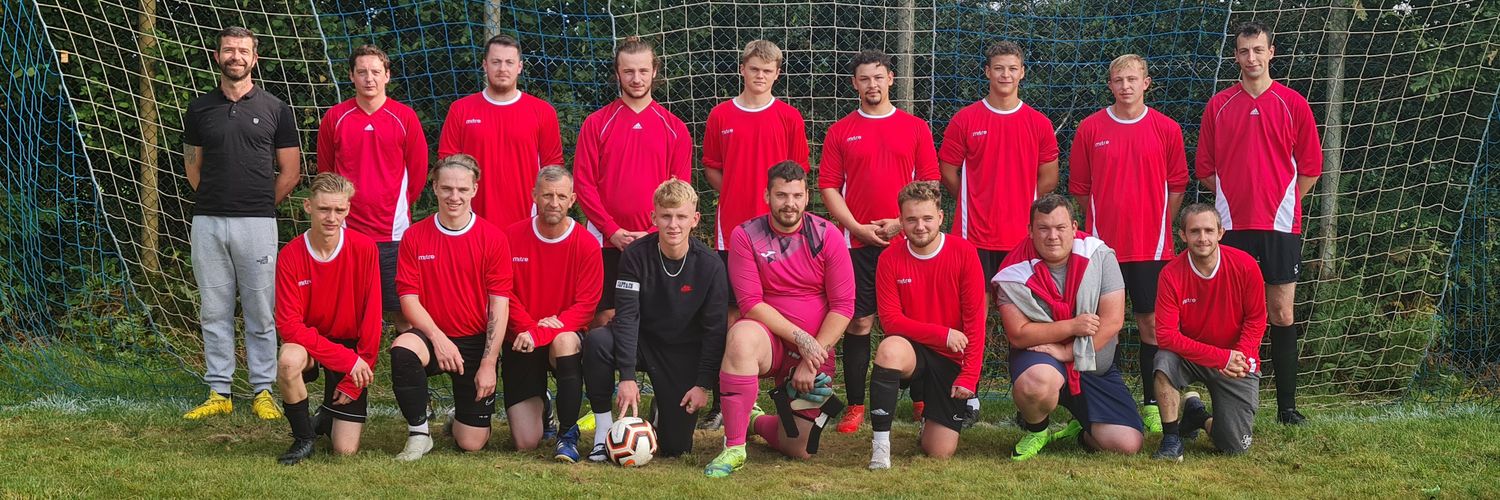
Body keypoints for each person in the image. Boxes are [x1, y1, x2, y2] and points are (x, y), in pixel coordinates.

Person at [1197, 21, 1322, 425]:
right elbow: (1205, 170)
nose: (1251, 58)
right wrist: (1236, 200)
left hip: (1280, 228)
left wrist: (1281, 203)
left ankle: (1287, 407)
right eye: (1244, 51)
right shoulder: (1219, 105)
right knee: (1230, 316)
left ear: (1271, 53)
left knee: (1281, 313)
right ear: (1236, 56)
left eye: (1258, 50)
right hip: (1231, 228)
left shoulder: (1293, 103)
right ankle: (1228, 401)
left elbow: (1310, 168)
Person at [704, 161, 856, 478]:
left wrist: (812, 357)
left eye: (797, 195)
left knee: (802, 447)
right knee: (741, 336)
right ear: (767, 196)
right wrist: (802, 340)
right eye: (781, 195)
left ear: (806, 195)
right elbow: (750, 304)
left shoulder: (828, 235)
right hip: (770, 342)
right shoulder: (746, 234)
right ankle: (733, 447)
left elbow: (843, 306)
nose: (789, 203)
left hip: (814, 351)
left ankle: (754, 420)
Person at [936, 40, 1059, 424]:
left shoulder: (1037, 123)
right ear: (987, 72)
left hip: (1021, 242)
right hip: (973, 237)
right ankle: (965, 396)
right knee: (970, 318)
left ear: (1022, 72)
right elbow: (948, 170)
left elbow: (1049, 177)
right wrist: (974, 201)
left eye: (1012, 68)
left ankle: (1030, 398)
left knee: (1028, 320)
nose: (1005, 75)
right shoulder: (966, 119)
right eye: (998, 68)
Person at [182, 26, 301, 420]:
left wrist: (257, 204)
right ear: (217, 56)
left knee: (260, 310)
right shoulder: (199, 108)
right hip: (209, 222)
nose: (236, 56)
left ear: (255, 59)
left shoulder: (276, 109)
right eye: (229, 50)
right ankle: (219, 390)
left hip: (257, 223)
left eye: (243, 50)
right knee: (214, 309)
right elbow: (191, 164)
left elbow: (290, 172)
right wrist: (214, 201)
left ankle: (263, 390)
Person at [817, 49, 939, 433]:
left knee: (914, 320)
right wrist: (855, 227)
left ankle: (921, 398)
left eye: (879, 77)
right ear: (855, 84)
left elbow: (931, 186)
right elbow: (828, 188)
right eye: (864, 78)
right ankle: (855, 405)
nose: (872, 84)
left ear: (891, 80)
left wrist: (901, 225)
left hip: (908, 244)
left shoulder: (915, 127)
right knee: (858, 323)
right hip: (857, 244)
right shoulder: (841, 131)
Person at [1068, 54, 1189, 433]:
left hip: (1151, 249)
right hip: (1103, 250)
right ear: (1110, 85)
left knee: (1152, 327)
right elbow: (1082, 191)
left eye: (1132, 79)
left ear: (1146, 83)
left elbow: (1178, 186)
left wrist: (1157, 224)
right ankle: (1105, 403)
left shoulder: (1166, 129)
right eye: (1118, 80)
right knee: (1103, 328)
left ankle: (1153, 403)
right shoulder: (1090, 128)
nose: (1125, 86)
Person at [699, 38, 811, 430]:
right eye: (754, 68)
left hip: (779, 236)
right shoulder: (720, 115)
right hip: (732, 234)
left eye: (768, 70)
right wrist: (736, 192)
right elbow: (712, 167)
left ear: (777, 74)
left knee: (781, 307)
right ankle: (725, 402)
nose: (760, 75)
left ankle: (786, 399)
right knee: (729, 315)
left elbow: (797, 177)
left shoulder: (789, 117)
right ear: (742, 69)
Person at [582, 179, 727, 461]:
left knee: (675, 449)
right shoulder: (636, 255)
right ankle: (602, 432)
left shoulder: (710, 265)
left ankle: (663, 405)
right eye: (666, 216)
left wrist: (702, 384)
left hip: (681, 352)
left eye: (681, 216)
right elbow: (627, 317)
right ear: (654, 218)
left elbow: (714, 330)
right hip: (640, 341)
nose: (673, 224)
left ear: (695, 219)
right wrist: (626, 376)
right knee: (598, 340)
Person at [994, 194, 1142, 460]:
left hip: (1093, 365)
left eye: (1061, 228)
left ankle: (1081, 430)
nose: (1053, 236)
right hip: (1042, 358)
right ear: (1030, 231)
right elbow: (1019, 334)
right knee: (1038, 383)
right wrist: (1073, 325)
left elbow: (1113, 321)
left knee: (1128, 444)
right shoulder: (1013, 270)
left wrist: (1069, 352)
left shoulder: (1099, 255)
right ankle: (1037, 430)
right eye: (1043, 228)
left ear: (1074, 227)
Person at [387, 154, 513, 461]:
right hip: (431, 337)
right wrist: (438, 338)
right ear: (434, 187)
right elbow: (408, 299)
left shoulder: (493, 238)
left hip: (473, 342)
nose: (453, 196)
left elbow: (499, 304)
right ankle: (419, 434)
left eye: (461, 189)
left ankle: (460, 418)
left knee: (471, 443)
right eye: (446, 188)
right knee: (402, 348)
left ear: (474, 190)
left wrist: (488, 363)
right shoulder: (415, 236)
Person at [574, 36, 693, 328]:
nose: (636, 78)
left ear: (655, 70)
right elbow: (583, 184)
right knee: (603, 318)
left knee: (656, 319)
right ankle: (606, 374)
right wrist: (612, 230)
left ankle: (650, 374)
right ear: (617, 74)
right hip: (605, 241)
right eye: (628, 71)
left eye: (642, 71)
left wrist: (654, 232)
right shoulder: (597, 123)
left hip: (658, 240)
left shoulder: (675, 128)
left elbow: (681, 192)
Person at [866, 181, 986, 470]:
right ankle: (880, 447)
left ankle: (932, 420)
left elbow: (974, 321)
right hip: (915, 351)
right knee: (889, 348)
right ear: (901, 221)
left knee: (939, 451)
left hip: (950, 360)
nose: (920, 226)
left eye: (927, 218)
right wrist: (941, 334)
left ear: (941, 218)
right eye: (911, 219)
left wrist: (969, 376)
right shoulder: (889, 258)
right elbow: (891, 320)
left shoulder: (964, 253)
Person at [271, 173, 382, 465]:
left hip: (352, 347)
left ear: (348, 209)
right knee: (288, 360)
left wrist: (358, 371)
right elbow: (288, 325)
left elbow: (372, 317)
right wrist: (346, 361)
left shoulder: (364, 248)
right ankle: (304, 438)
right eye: (324, 209)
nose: (332, 217)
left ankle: (326, 416)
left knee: (345, 450)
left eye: (339, 210)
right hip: (309, 342)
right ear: (308, 207)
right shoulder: (291, 255)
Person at [316, 44, 428, 331]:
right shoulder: (335, 118)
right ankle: (349, 372)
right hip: (346, 232)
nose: (369, 78)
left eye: (376, 72)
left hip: (393, 233)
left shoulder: (404, 118)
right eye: (362, 72)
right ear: (351, 76)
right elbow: (326, 174)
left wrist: (392, 204)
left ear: (387, 75)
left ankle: (404, 369)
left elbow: (417, 175)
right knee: (346, 313)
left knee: (403, 312)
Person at [1151, 204, 1267, 461]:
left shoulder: (1245, 265)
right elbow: (1167, 335)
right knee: (1163, 360)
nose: (1202, 238)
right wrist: (1219, 358)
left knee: (1234, 446)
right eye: (1194, 231)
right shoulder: (1171, 274)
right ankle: (1171, 440)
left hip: (1235, 359)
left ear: (1220, 233)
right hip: (1193, 357)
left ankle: (1198, 416)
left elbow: (1257, 318)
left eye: (1208, 230)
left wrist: (1240, 356)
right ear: (1183, 235)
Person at [503, 166, 601, 463]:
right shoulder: (511, 236)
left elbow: (586, 306)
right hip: (521, 338)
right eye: (547, 195)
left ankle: (568, 434)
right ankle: (543, 409)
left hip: (558, 337)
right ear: (534, 195)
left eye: (560, 196)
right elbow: (503, 293)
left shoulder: (586, 243)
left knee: (565, 342)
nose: (553, 203)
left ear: (572, 199)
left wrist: (540, 332)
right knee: (526, 442)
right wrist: (529, 329)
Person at [438, 35, 564, 229]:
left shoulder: (542, 112)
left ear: (520, 66)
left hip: (526, 221)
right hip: (471, 220)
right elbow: (447, 166)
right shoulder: (460, 110)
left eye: (509, 62)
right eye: (496, 62)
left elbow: (553, 169)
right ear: (484, 65)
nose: (502, 69)